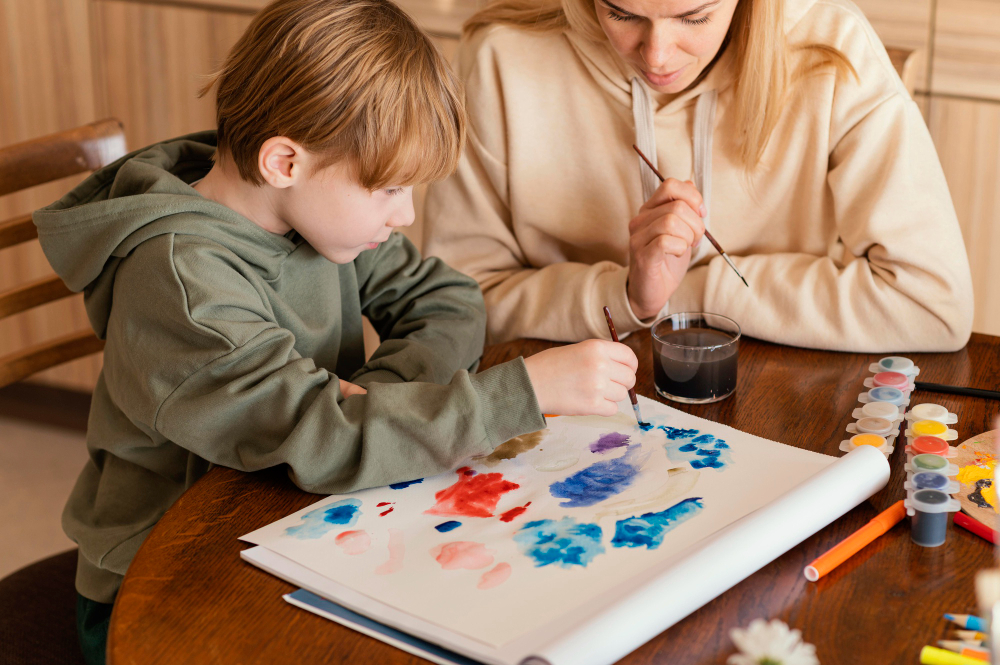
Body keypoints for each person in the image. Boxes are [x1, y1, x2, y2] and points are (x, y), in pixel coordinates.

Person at [32, 1, 637, 662]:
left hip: (289, 518)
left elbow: (449, 299)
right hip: (162, 579)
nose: (405, 214)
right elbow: (324, 440)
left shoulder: (308, 208)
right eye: (389, 190)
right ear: (285, 162)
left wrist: (371, 407)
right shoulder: (182, 286)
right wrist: (512, 393)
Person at [422, 0, 975, 351]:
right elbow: (455, 306)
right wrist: (626, 297)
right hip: (569, 399)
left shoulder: (835, 49)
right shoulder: (500, 56)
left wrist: (679, 293)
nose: (658, 55)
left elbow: (933, 304)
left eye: (694, 16)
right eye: (622, 13)